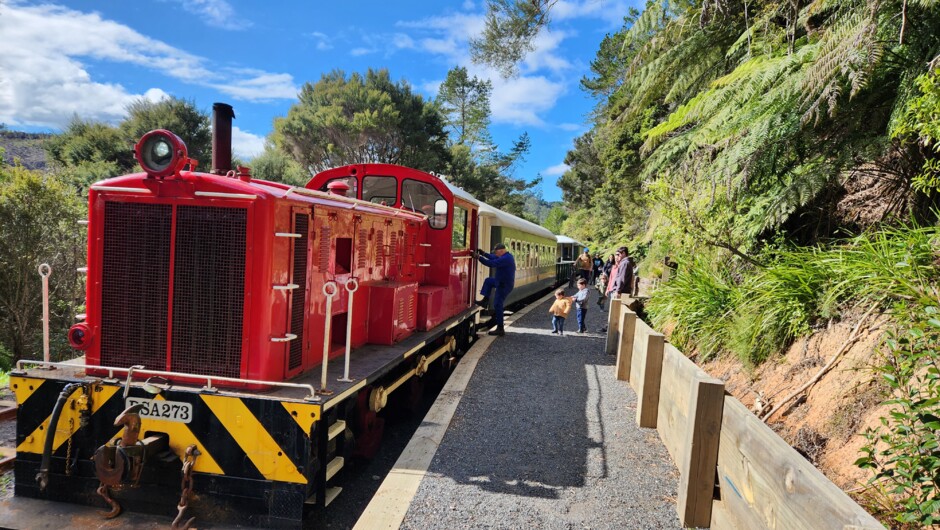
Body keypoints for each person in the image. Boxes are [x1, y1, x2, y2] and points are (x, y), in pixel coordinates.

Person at [475, 243, 516, 336]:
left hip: (504, 285)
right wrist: (484, 254)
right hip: (500, 282)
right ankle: (485, 301)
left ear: (501, 251)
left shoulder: (506, 259)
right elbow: (493, 257)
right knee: (488, 281)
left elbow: (491, 263)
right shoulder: (505, 256)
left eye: (497, 253)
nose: (496, 255)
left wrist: (478, 257)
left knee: (497, 305)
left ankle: (500, 328)